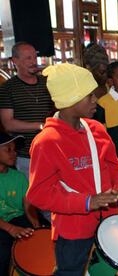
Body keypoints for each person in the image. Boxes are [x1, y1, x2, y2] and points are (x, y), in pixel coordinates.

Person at [26, 63, 118, 275]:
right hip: (73, 230)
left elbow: (114, 170)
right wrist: (86, 202)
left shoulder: (97, 129)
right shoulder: (47, 141)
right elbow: (38, 194)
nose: (95, 100)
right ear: (70, 100)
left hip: (109, 223)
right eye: (89, 95)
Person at [0, 42, 54, 178]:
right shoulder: (8, 88)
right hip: (26, 155)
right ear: (15, 61)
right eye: (28, 58)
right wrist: (39, 126)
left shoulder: (48, 82)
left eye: (34, 58)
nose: (33, 62)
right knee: (31, 195)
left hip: (52, 150)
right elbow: (8, 123)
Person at [0, 133, 41, 275]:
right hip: (2, 223)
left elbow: (28, 206)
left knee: (39, 241)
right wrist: (12, 229)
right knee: (3, 252)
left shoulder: (19, 176)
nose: (14, 153)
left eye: (15, 149)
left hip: (18, 218)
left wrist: (36, 226)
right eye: (8, 149)